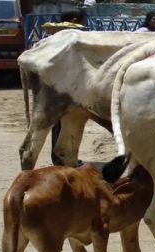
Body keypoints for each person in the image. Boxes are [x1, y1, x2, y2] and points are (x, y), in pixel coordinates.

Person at [50, 8, 89, 166]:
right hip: (64, 88)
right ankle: (61, 159)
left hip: (55, 87)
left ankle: (62, 157)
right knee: (65, 125)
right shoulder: (68, 40)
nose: (85, 23)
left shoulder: (51, 38)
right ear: (74, 21)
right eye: (83, 20)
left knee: (61, 125)